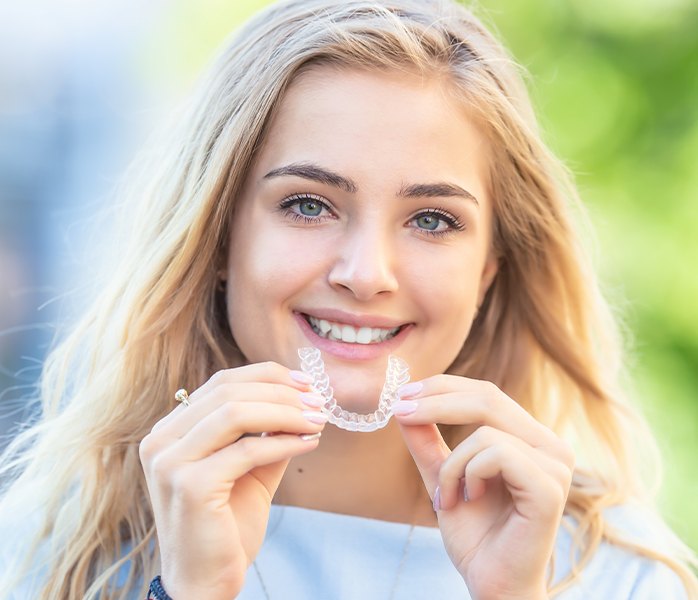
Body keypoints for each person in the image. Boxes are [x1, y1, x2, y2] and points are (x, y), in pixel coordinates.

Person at [0, 0, 696, 598]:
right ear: (217, 240)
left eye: (431, 220)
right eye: (308, 205)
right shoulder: (46, 551)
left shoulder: (621, 574)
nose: (366, 275)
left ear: (489, 270)